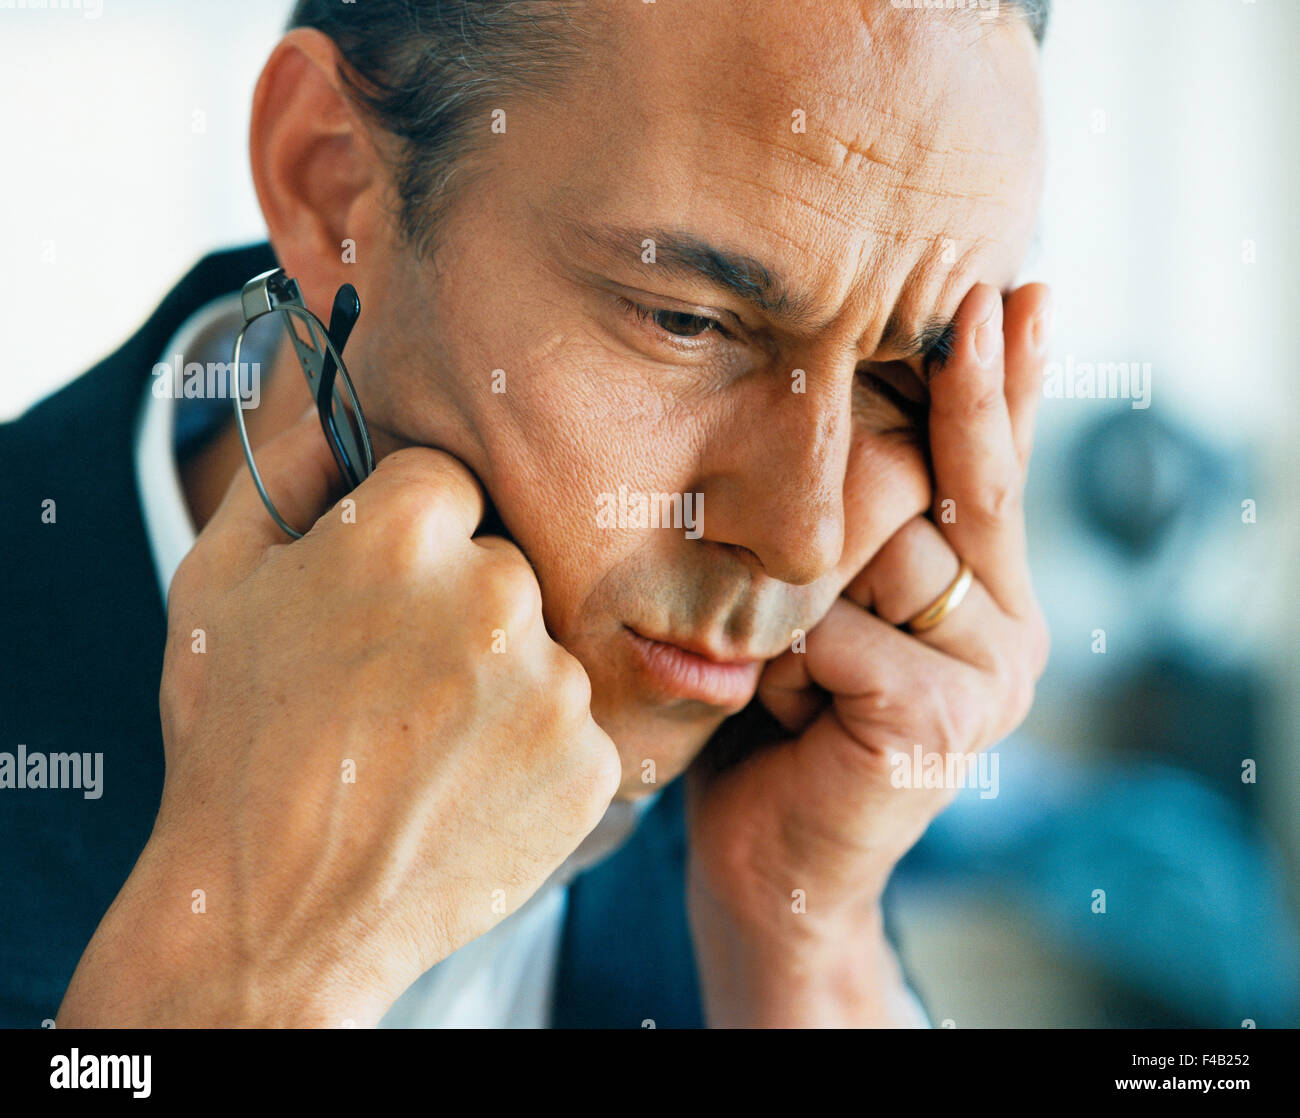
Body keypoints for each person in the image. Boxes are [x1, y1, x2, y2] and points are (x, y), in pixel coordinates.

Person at [0, 0, 1052, 1027]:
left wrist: (801, 943)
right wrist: (238, 969)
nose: (801, 538)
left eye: (906, 380)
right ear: (333, 184)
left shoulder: (789, 812)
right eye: (686, 321)